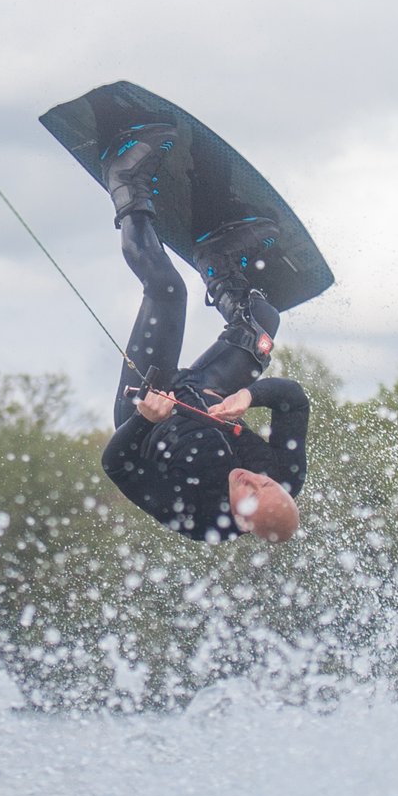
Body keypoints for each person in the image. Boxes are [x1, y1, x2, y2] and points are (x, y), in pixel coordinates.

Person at [95, 119, 310, 544]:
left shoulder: (198, 519)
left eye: (249, 492)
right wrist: (249, 396)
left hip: (151, 404)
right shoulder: (285, 477)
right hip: (205, 393)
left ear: (242, 521)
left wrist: (143, 420)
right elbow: (293, 401)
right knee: (262, 324)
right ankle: (219, 259)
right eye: (265, 484)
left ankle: (125, 182)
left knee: (168, 291)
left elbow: (116, 466)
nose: (252, 479)